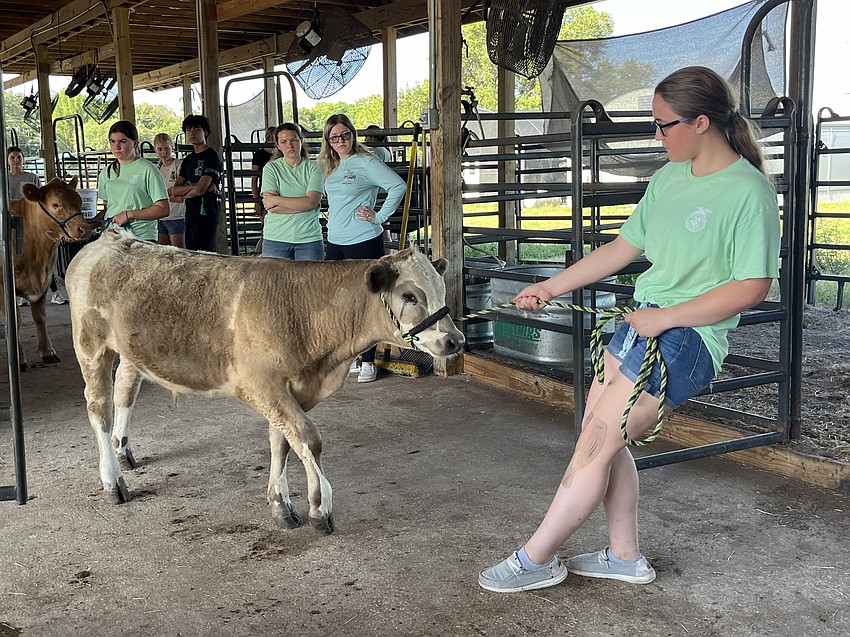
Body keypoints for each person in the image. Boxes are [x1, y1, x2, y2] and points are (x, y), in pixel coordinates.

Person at [478, 66, 781, 593]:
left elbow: (753, 286)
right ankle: (624, 556)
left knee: (596, 444)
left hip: (687, 336)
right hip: (643, 322)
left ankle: (535, 559)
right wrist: (550, 287)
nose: (657, 135)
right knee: (598, 437)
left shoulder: (748, 191)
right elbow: (622, 248)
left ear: (701, 122)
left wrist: (666, 317)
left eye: (664, 125)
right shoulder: (669, 178)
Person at [318, 113, 406, 383]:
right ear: (328, 141)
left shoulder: (367, 161)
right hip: (335, 241)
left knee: (368, 300)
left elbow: (398, 186)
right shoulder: (331, 164)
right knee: (340, 301)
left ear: (353, 135)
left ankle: (368, 360)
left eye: (345, 135)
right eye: (334, 137)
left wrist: (379, 216)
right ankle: (351, 356)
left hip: (363, 238)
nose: (340, 141)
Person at [94, 121, 169, 242]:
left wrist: (128, 215)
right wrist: (89, 224)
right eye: (112, 141)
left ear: (135, 143)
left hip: (141, 237)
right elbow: (109, 208)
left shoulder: (148, 169)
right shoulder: (106, 172)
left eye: (122, 141)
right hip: (112, 236)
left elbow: (163, 209)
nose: (116, 146)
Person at [259, 123, 324, 261]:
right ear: (278, 145)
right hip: (276, 237)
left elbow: (311, 202)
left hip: (309, 238)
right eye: (284, 141)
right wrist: (304, 205)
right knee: (275, 277)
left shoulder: (314, 168)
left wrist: (276, 199)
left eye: (293, 140)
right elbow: (271, 208)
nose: (289, 145)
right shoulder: (271, 168)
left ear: (301, 141)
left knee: (311, 277)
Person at [169, 114, 223, 252]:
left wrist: (186, 192)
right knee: (191, 251)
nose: (192, 132)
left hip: (207, 212)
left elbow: (200, 190)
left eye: (197, 129)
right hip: (190, 212)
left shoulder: (211, 155)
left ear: (205, 132)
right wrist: (194, 186)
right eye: (188, 130)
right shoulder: (188, 159)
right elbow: (174, 190)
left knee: (206, 253)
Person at [153, 133, 186, 248]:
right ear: (155, 150)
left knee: (179, 251)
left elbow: (181, 196)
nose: (164, 152)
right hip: (160, 216)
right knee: (163, 251)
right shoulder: (156, 169)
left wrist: (162, 199)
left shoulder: (179, 165)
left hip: (176, 215)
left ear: (172, 148)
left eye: (167, 149)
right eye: (160, 149)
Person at [252, 126, 279, 254]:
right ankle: (259, 255)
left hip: (276, 194)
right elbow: (254, 179)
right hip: (266, 195)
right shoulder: (259, 155)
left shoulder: (280, 154)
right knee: (266, 231)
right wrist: (256, 200)